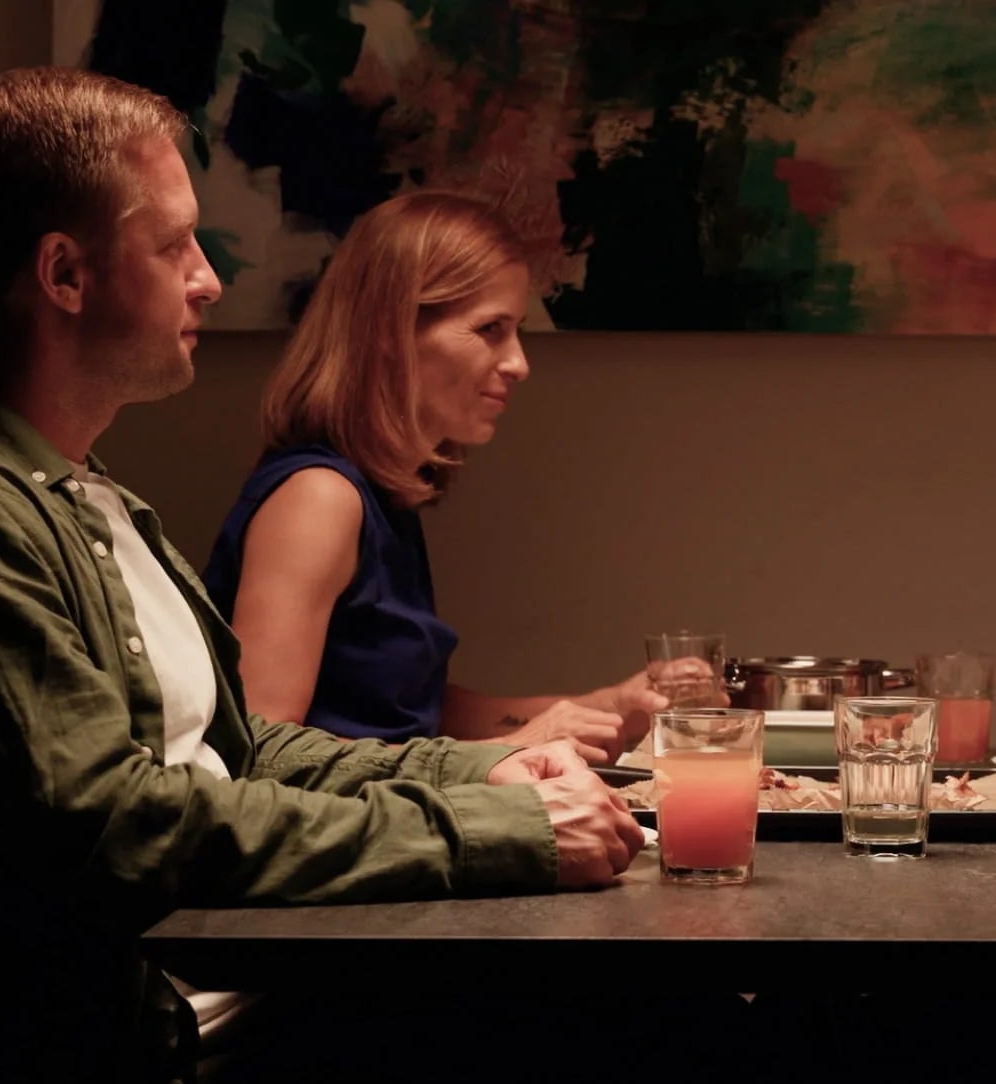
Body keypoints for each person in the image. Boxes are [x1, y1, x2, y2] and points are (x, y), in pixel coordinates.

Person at [0, 67, 642, 1084]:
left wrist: (488, 769)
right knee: (672, 1046)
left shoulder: (92, 501)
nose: (209, 281)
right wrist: (492, 830)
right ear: (63, 273)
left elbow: (249, 746)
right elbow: (124, 830)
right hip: (160, 1067)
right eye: (174, 246)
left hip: (260, 1007)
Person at [201, 191, 670, 756]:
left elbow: (405, 711)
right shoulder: (318, 499)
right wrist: (505, 753)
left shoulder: (379, 497)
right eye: (490, 329)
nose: (519, 363)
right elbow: (263, 750)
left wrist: (602, 706)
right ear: (390, 330)